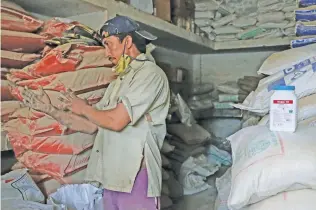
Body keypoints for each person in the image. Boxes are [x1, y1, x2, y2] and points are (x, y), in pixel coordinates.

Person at [21, 16, 170, 210]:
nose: (107, 53)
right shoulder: (118, 82)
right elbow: (93, 125)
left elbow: (116, 121)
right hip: (111, 178)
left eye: (109, 45)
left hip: (135, 178)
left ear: (127, 41)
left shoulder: (150, 74)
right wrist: (49, 109)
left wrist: (83, 107)